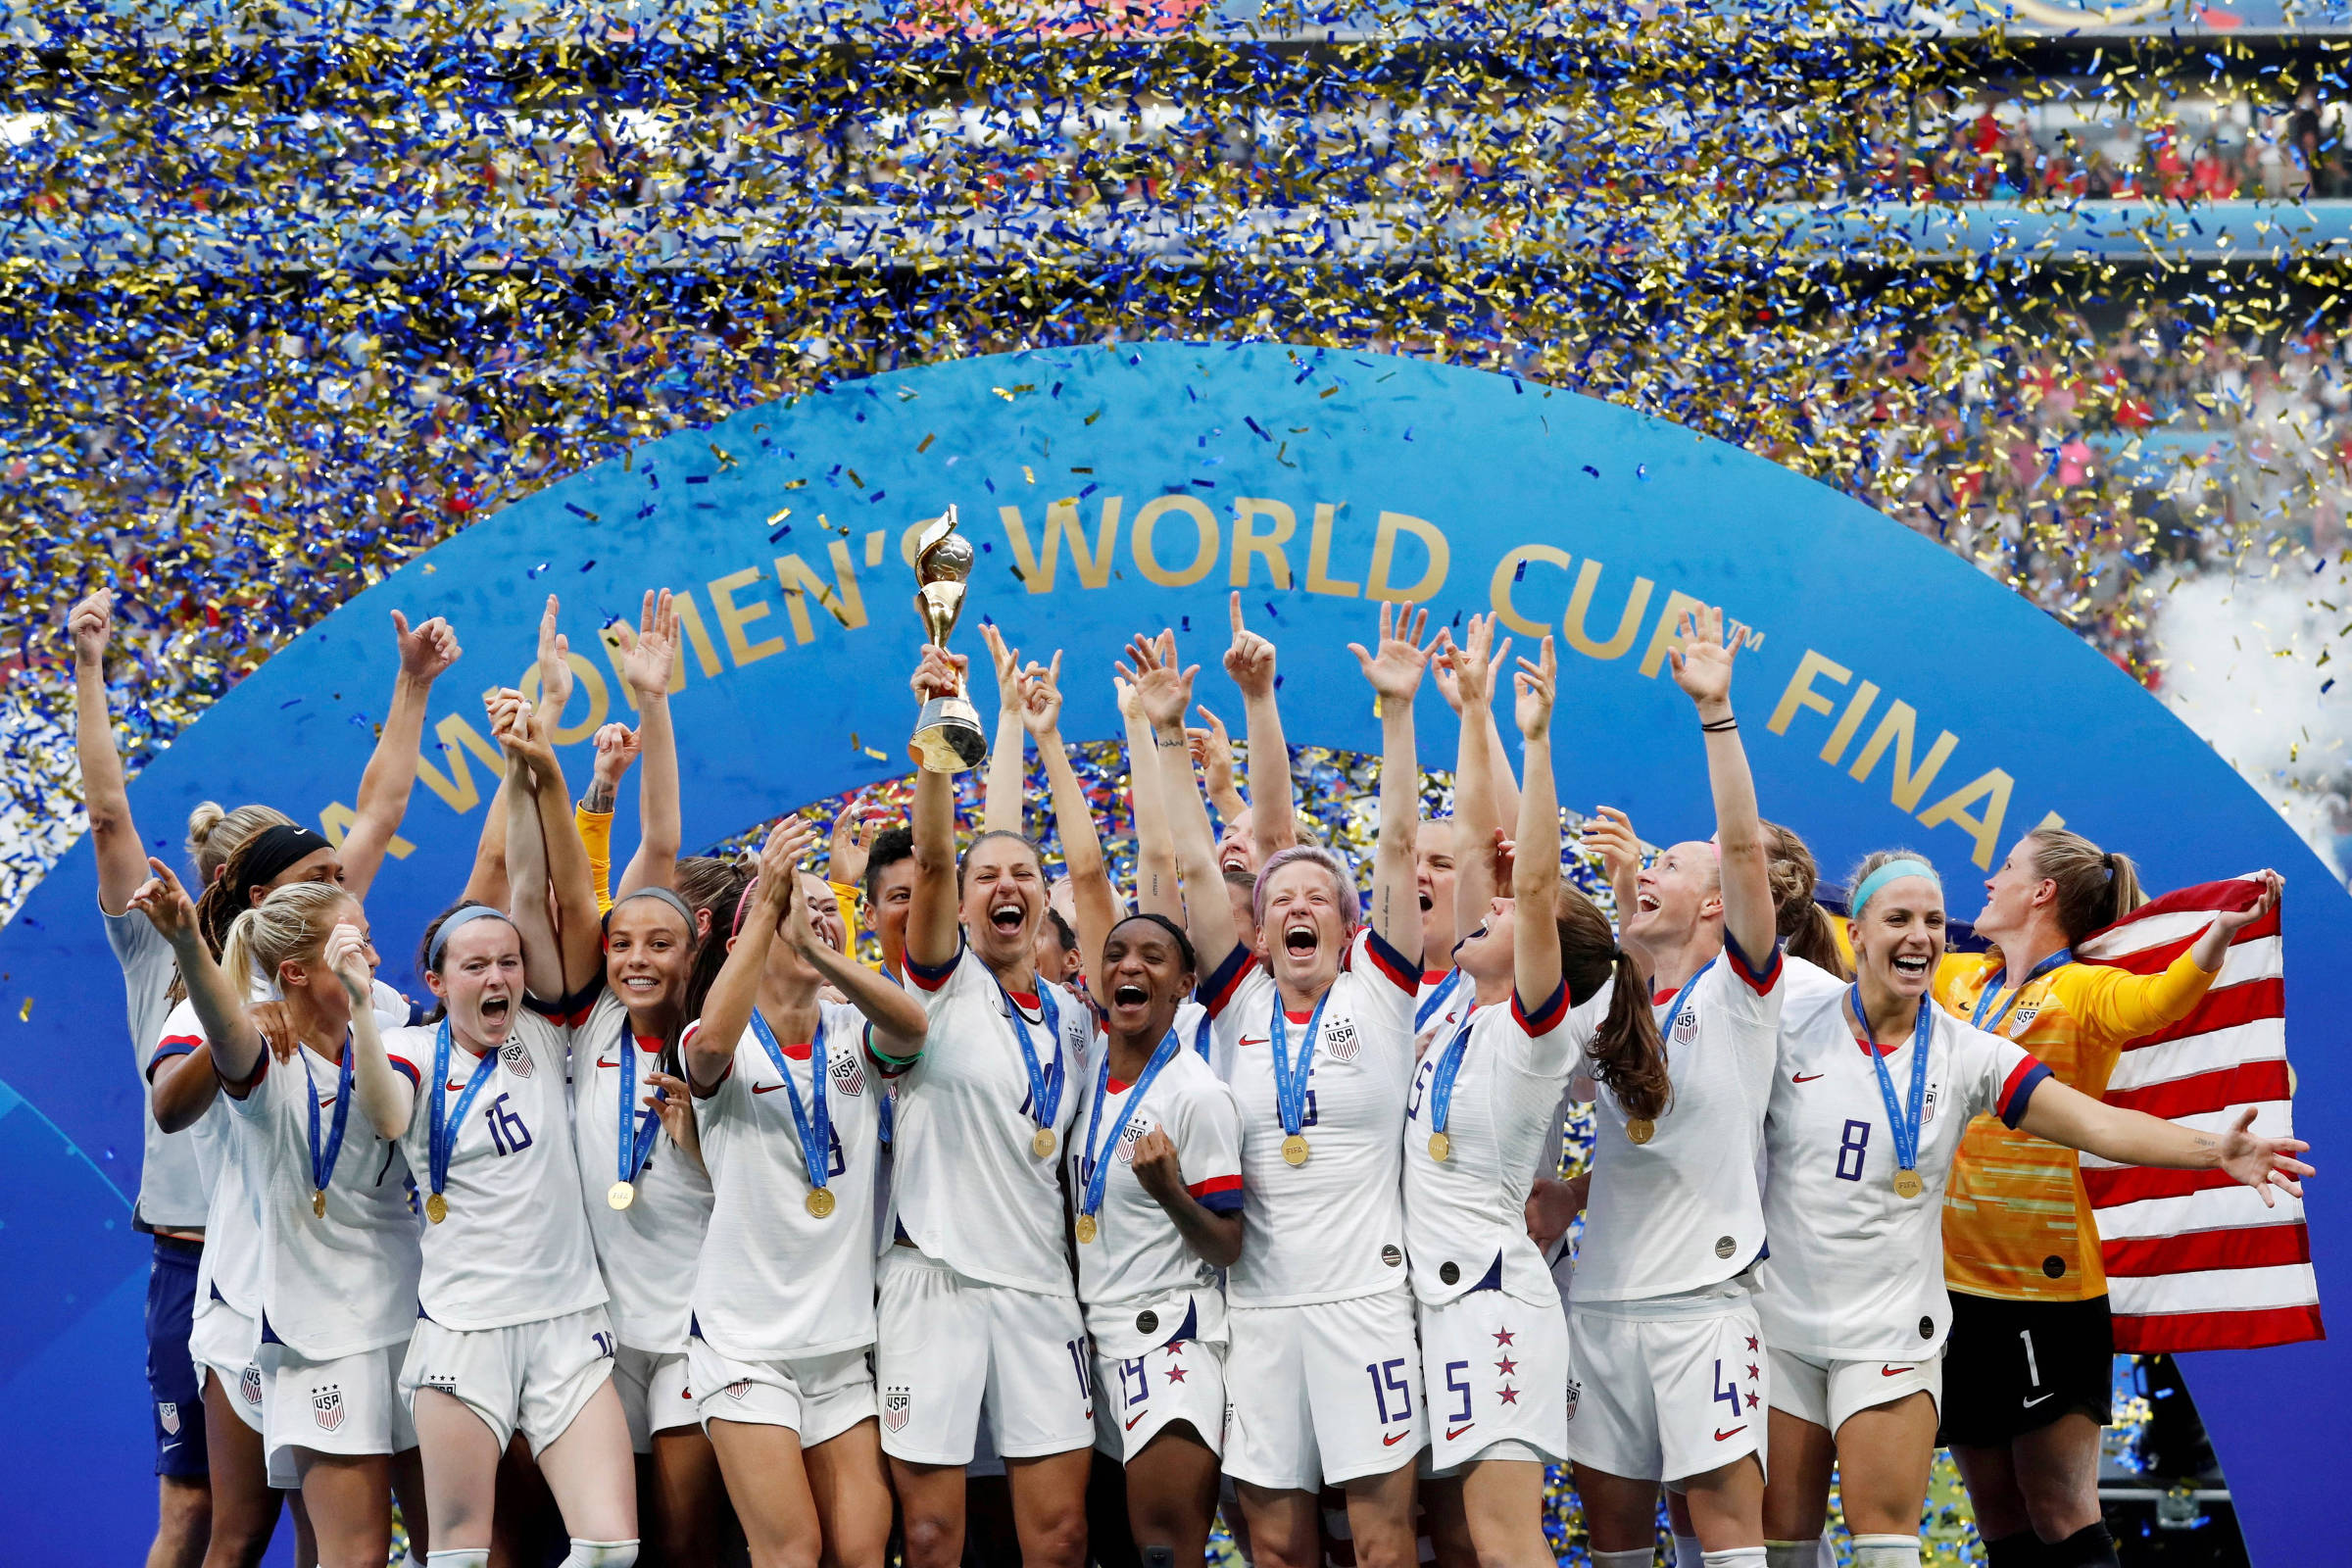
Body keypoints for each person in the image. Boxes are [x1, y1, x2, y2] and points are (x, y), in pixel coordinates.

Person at [1756, 854, 2305, 1568]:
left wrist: (2214, 1150)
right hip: (1926, 1300)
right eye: (1900, 919)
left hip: (2005, 1300)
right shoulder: (1937, 986)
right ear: (1858, 932)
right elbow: (1768, 924)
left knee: (2037, 1514)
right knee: (1985, 1521)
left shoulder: (2006, 1029)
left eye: (1930, 919)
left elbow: (2107, 1106)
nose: (1924, 933)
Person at [70, 585, 456, 1568]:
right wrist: (86, 664)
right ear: (253, 896)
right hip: (207, 1262)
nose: (340, 889)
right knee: (211, 1521)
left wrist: (410, 688)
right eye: (317, 880)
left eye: (339, 882)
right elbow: (110, 815)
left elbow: (384, 804)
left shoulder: (328, 963)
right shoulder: (174, 963)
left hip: (321, 1258)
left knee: (346, 1533)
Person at [1145, 604, 1433, 1568]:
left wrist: (1397, 716)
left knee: (1386, 1542)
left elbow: (1395, 846)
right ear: (1258, 930)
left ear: (1351, 929)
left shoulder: (1382, 991)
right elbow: (1193, 861)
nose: (1298, 905)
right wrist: (1161, 734)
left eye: (1319, 897)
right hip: (1259, 1310)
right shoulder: (1236, 1001)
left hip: (1367, 1303)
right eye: (1280, 900)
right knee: (1273, 1542)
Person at [1936, 831, 2281, 1568]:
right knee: (1996, 1516)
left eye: (2007, 869)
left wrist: (2218, 933)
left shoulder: (2082, 990)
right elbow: (1863, 947)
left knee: (2060, 1509)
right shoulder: (1956, 979)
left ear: (2042, 893)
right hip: (1944, 1289)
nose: (1990, 881)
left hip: (2041, 1291)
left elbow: (2157, 1001)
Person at [359, 697, 638, 1568]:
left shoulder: (541, 1031)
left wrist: (528, 756)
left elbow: (530, 885)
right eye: (475, 964)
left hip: (568, 1322)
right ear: (437, 982)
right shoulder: (404, 1052)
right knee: (458, 1551)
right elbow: (381, 1116)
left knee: (609, 1549)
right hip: (464, 1329)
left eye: (508, 962)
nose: (498, 975)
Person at [1561, 606, 1782, 1568]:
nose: (1651, 871)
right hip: (1601, 1305)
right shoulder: (1608, 1002)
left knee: (1728, 1543)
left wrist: (1718, 713)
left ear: (1714, 903)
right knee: (1612, 1546)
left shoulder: (1738, 993)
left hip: (1704, 1306)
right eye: (1649, 864)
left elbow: (1741, 851)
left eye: (1669, 867)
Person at [1407, 627, 1632, 1568]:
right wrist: (1469, 714)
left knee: (1507, 1543)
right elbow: (1478, 846)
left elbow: (1529, 884)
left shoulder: (1536, 1031)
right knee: (1477, 1543)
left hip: (1492, 1302)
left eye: (1502, 915)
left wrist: (1535, 745)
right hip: (1444, 1296)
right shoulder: (1461, 1001)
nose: (1483, 907)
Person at [130, 869, 428, 1568]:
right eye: (356, 944)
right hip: (304, 1325)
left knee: (447, 1545)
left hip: (410, 1316)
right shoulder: (264, 1058)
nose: (375, 958)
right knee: (329, 1548)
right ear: (294, 970)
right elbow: (202, 1076)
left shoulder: (391, 1029)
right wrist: (184, 944)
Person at [883, 642, 1100, 1568]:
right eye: (986, 878)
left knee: (1057, 1537)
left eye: (1023, 876)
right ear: (965, 906)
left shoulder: (1077, 1022)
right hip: (933, 1284)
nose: (1004, 886)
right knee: (932, 1535)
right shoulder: (936, 984)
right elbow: (932, 858)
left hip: (1040, 1286)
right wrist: (941, 733)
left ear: (1046, 904)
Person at [530, 595, 726, 1564]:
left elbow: (662, 845)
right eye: (624, 941)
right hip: (597, 1330)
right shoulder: (585, 1019)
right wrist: (609, 742)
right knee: (615, 1542)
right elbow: (625, 860)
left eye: (661, 942)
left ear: (692, 955)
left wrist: (657, 708)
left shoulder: (713, 1047)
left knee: (688, 1542)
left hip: (695, 1326)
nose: (638, 956)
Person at [682, 819, 928, 1568]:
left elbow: (914, 1030)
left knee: (861, 1551)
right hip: (744, 1346)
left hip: (840, 1347)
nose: (819, 910)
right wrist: (765, 909)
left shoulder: (854, 1030)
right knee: (790, 1552)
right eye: (801, 901)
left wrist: (817, 944)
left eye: (830, 906)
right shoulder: (715, 1033)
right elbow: (712, 1052)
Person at [1069, 909, 1246, 1565]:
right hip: (1093, 1341)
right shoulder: (1084, 1080)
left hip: (1169, 1339)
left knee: (1164, 1555)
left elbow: (1228, 1243)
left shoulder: (1198, 1095)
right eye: (1115, 953)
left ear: (1184, 985)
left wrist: (1171, 1192)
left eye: (1153, 956)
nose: (1130, 966)